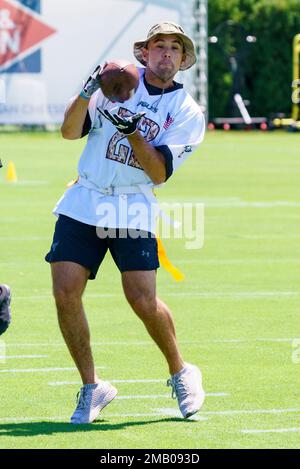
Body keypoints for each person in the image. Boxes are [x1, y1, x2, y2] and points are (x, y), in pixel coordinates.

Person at [45, 21, 206, 424]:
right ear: (144, 53)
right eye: (159, 45)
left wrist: (132, 130)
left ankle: (180, 371)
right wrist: (87, 91)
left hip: (133, 203)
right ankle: (91, 386)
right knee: (65, 291)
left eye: (174, 48)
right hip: (86, 196)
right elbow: (68, 132)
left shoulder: (187, 111)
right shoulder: (113, 83)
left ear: (184, 59)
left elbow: (158, 173)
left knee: (141, 299)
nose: (166, 53)